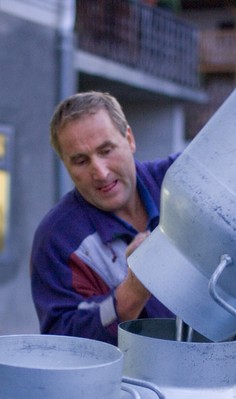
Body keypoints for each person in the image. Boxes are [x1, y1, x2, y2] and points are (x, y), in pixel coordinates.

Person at [30, 91, 177, 345]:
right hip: (126, 383)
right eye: (80, 161)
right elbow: (62, 347)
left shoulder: (181, 181)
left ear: (129, 139)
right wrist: (132, 291)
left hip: (221, 363)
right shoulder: (57, 239)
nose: (99, 171)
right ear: (65, 165)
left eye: (106, 150)